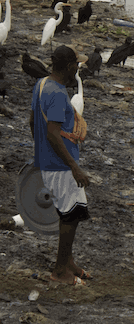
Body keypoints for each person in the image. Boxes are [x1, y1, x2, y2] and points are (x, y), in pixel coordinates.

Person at [28, 45, 90, 286]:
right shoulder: (58, 93)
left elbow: (33, 121)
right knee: (70, 216)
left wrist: (40, 152)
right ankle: (60, 271)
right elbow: (53, 133)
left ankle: (69, 262)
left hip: (50, 161)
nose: (77, 67)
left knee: (72, 212)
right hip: (61, 166)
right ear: (69, 66)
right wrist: (74, 167)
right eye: (76, 64)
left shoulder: (41, 84)